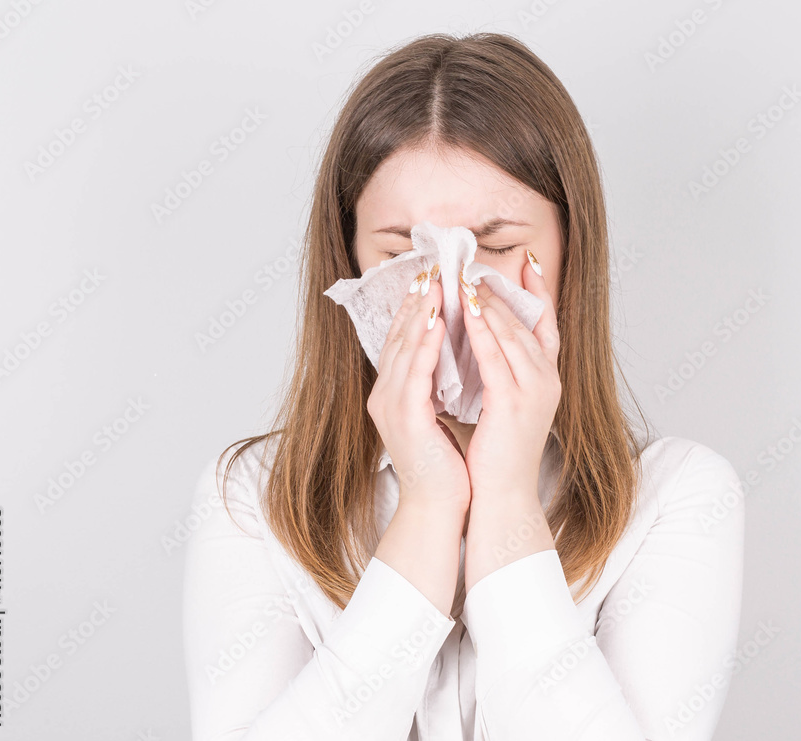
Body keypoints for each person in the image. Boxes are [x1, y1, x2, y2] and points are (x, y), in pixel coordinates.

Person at [182, 31, 744, 741]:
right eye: (402, 254)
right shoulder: (252, 499)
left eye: (497, 248)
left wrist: (508, 498)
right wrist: (426, 505)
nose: (450, 296)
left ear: (570, 253)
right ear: (349, 259)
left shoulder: (678, 498)